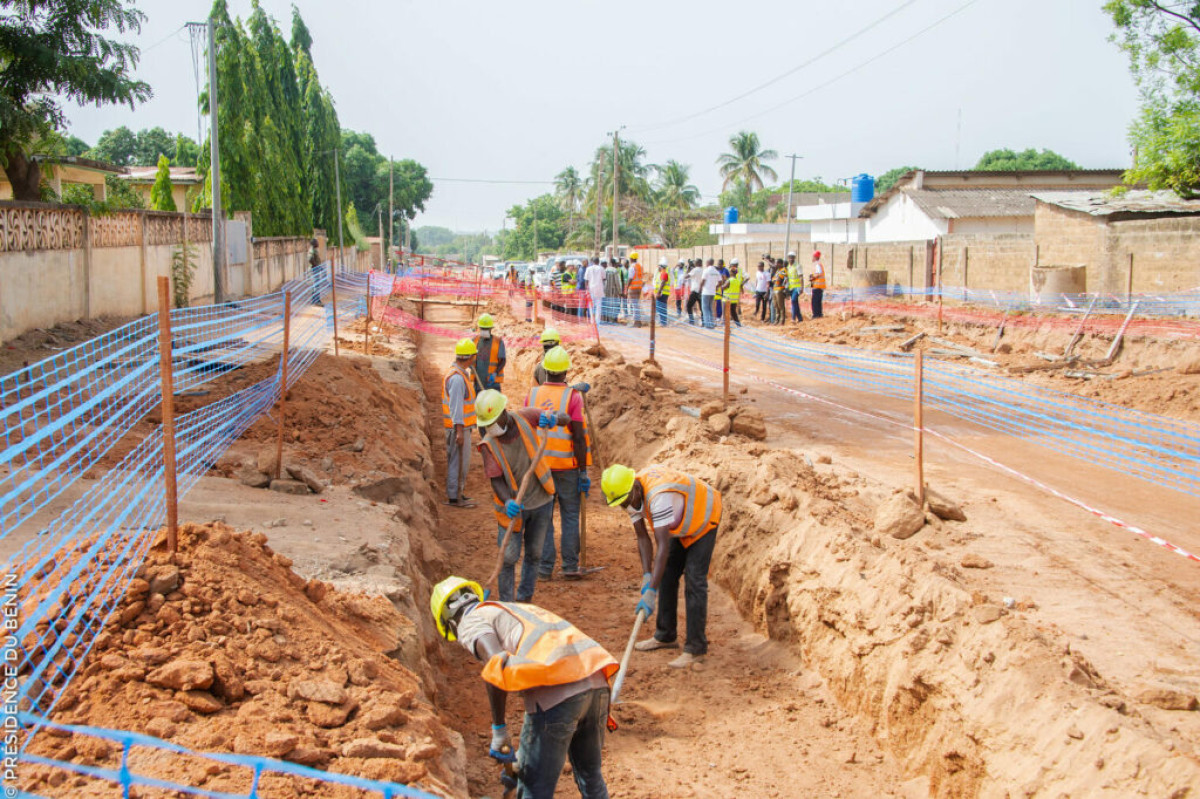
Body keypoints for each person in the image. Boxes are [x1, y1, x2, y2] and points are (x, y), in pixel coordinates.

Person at [430, 576, 616, 799]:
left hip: (558, 694)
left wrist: (499, 730)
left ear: (449, 622)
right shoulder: (511, 609)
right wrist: (525, 758)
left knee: (534, 791)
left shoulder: (470, 622)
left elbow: (496, 663)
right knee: (591, 777)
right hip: (596, 680)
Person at [600, 464, 722, 669]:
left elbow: (662, 546)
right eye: (622, 504)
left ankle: (696, 649)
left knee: (694, 580)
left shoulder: (658, 497)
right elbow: (642, 537)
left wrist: (651, 593)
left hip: (703, 515)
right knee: (665, 573)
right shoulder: (627, 494)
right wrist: (647, 575)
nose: (627, 506)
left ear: (636, 489)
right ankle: (666, 635)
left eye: (627, 502)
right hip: (680, 522)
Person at [474, 389, 562, 602]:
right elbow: (496, 479)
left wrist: (552, 418)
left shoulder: (525, 417)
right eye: (487, 423)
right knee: (508, 557)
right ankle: (508, 603)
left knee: (534, 554)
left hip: (541, 501)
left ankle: (524, 600)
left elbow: (565, 419)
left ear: (504, 412)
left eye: (493, 421)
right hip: (512, 509)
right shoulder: (488, 444)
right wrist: (508, 500)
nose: (490, 427)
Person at [526, 347, 591, 581]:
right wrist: (583, 471)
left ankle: (544, 569)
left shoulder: (531, 396)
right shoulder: (572, 397)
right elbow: (578, 437)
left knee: (544, 518)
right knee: (571, 515)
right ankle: (570, 566)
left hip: (541, 469)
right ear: (565, 372)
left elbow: (526, 432)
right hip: (567, 468)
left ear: (544, 370)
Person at [442, 339, 478, 508]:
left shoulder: (460, 374)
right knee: (458, 462)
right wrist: (459, 431)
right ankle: (455, 497)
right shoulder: (457, 379)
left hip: (459, 427)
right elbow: (456, 407)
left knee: (458, 462)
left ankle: (457, 494)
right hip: (458, 428)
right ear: (469, 357)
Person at [472, 314, 506, 391]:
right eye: (483, 328)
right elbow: (468, 357)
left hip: (492, 383)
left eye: (486, 329)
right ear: (480, 328)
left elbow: (503, 361)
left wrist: (495, 374)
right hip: (478, 381)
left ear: (491, 329)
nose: (484, 331)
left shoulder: (498, 342)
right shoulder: (474, 341)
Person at [716, 260, 744, 328]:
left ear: (731, 273)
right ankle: (738, 324)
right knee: (733, 313)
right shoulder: (737, 281)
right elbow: (740, 288)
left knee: (724, 312)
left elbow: (723, 287)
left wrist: (722, 283)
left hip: (726, 299)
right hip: (734, 300)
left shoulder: (729, 280)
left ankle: (723, 323)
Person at [700, 259, 720, 329]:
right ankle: (711, 323)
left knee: (705, 308)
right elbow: (720, 281)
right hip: (712, 292)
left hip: (706, 292)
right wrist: (716, 287)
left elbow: (703, 281)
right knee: (710, 308)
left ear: (708, 262)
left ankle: (707, 325)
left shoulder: (706, 270)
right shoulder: (716, 271)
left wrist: (700, 289)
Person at [602, 259, 623, 324]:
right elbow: (617, 282)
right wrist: (620, 292)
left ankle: (606, 319)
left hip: (605, 291)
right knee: (613, 306)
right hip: (613, 292)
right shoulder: (615, 271)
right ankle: (611, 320)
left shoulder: (605, 270)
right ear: (614, 263)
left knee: (606, 305)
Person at [625, 253, 644, 325]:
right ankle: (638, 320)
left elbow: (630, 278)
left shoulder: (632, 267)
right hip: (639, 287)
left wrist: (627, 287)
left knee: (634, 305)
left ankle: (636, 321)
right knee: (636, 304)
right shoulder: (640, 266)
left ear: (632, 258)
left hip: (633, 288)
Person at [786, 251, 805, 323]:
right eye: (790, 257)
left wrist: (802, 287)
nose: (791, 259)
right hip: (790, 287)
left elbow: (801, 277)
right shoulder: (788, 267)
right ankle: (800, 318)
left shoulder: (797, 266)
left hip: (796, 287)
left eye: (792, 257)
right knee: (795, 303)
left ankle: (793, 318)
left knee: (793, 301)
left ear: (794, 258)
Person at [585, 258, 605, 322]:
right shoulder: (601, 268)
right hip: (599, 288)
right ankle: (597, 320)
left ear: (592, 262)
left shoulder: (588, 268)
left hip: (591, 288)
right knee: (598, 306)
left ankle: (592, 320)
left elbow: (586, 280)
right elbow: (604, 278)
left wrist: (586, 289)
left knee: (591, 305)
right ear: (598, 261)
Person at [653, 258, 671, 325]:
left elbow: (663, 283)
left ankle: (663, 322)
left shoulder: (664, 273)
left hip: (662, 294)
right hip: (663, 293)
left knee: (661, 308)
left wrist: (658, 292)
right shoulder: (662, 273)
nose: (658, 268)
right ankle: (663, 322)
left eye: (659, 266)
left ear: (661, 266)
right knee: (661, 308)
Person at [809, 250, 827, 319]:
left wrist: (812, 278)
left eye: (813, 256)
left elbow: (819, 273)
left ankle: (816, 315)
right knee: (818, 301)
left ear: (815, 257)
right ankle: (819, 314)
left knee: (815, 302)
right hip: (819, 286)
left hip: (817, 286)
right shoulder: (819, 264)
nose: (812, 258)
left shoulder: (817, 264)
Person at [685, 260, 702, 325]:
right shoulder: (703, 270)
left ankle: (691, 321)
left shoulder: (694, 270)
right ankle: (703, 322)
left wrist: (688, 269)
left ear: (697, 263)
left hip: (694, 291)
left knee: (689, 306)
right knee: (701, 308)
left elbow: (686, 277)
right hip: (701, 291)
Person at [307, 239, 324, 306]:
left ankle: (316, 300)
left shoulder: (314, 250)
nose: (318, 243)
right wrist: (316, 266)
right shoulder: (312, 250)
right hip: (313, 270)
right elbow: (310, 259)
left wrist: (319, 267)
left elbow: (316, 260)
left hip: (316, 269)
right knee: (315, 286)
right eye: (317, 242)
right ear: (314, 243)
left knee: (317, 285)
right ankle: (316, 301)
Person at [772, 260, 788, 325]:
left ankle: (782, 320)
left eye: (776, 263)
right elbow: (773, 280)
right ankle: (777, 320)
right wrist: (775, 279)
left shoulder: (783, 270)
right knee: (776, 305)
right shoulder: (777, 271)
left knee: (781, 306)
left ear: (780, 264)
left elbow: (779, 279)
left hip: (779, 289)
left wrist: (775, 279)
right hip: (775, 289)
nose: (775, 264)